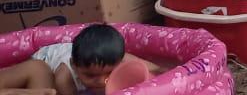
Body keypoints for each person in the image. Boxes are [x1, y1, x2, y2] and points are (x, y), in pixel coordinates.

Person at [0, 24, 162, 95]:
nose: (100, 81)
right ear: (75, 66)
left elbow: (158, 70)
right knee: (42, 75)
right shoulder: (65, 78)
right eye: (90, 76)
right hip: (44, 63)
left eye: (108, 74)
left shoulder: (121, 60)